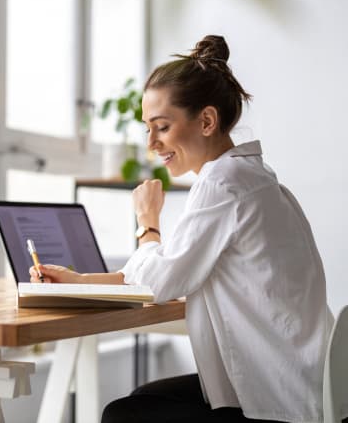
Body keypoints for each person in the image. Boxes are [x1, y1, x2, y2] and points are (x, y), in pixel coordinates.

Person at [30, 35, 336, 423]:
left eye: (162, 127)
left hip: (277, 403)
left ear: (206, 121)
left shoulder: (222, 184)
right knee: (143, 399)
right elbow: (175, 269)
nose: (152, 144)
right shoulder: (252, 178)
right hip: (303, 385)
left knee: (124, 414)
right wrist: (78, 280)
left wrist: (147, 224)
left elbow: (160, 284)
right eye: (147, 129)